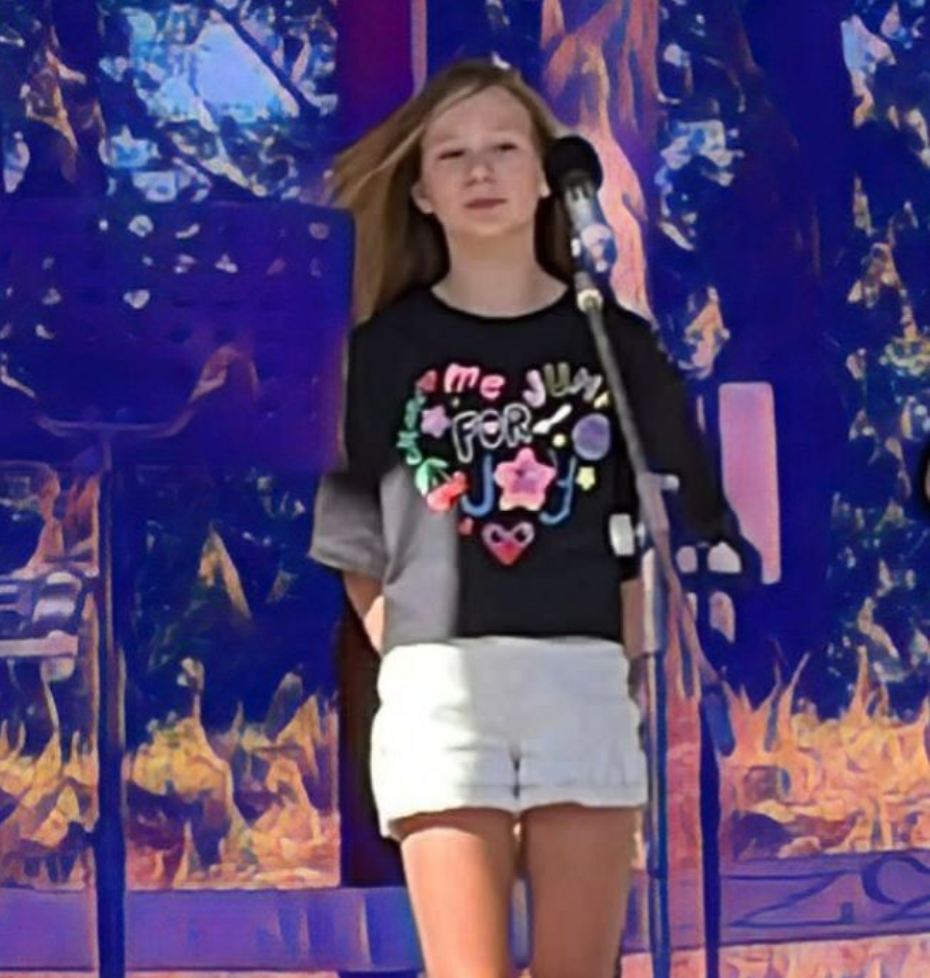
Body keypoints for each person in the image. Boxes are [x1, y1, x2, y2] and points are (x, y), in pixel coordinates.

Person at [310, 58, 733, 978]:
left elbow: (659, 522)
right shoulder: (383, 350)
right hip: (439, 684)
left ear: (547, 174)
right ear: (420, 192)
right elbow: (355, 540)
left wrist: (619, 661)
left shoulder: (611, 341)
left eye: (504, 148)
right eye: (451, 154)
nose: (480, 171)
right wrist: (413, 656)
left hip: (578, 675)